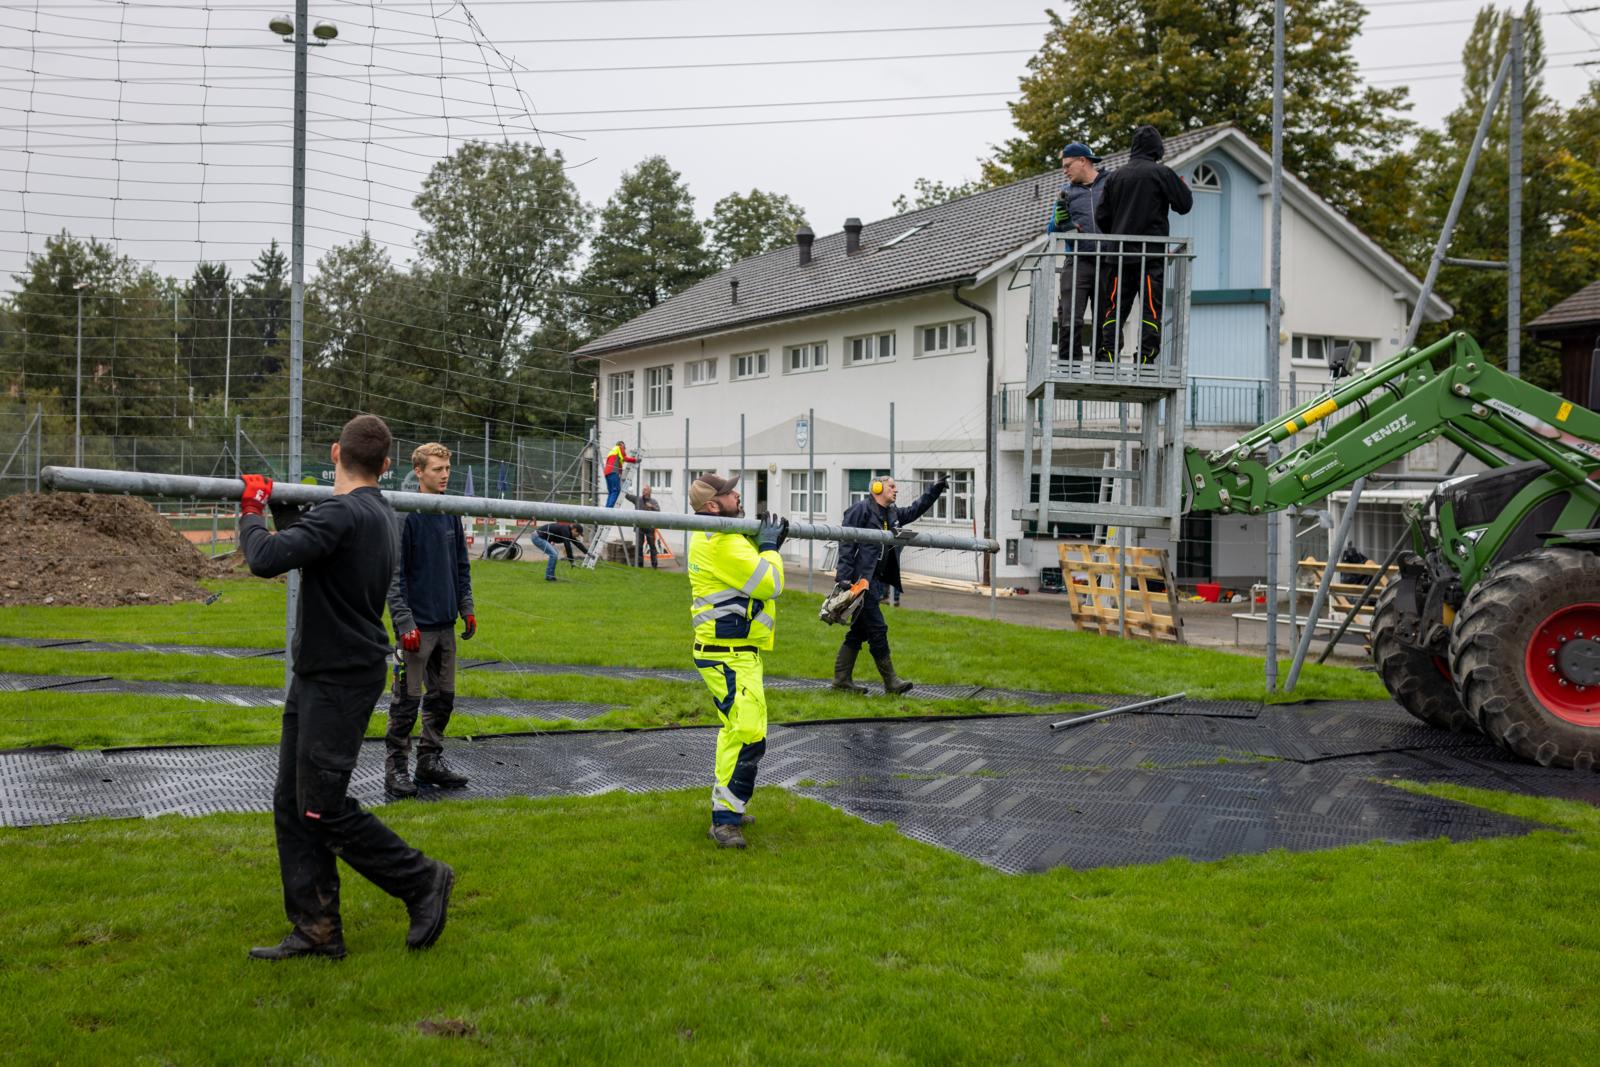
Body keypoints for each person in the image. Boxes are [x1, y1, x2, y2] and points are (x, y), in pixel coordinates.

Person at [238, 414, 453, 962]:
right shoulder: (378, 510)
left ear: (335, 452)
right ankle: (316, 927)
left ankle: (421, 879)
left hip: (339, 678)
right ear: (386, 465)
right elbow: (312, 544)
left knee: (323, 808)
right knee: (293, 802)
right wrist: (284, 511)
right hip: (323, 673)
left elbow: (265, 558)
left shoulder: (343, 512)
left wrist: (250, 509)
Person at [686, 473, 787, 850]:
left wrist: (761, 543)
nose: (738, 495)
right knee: (748, 736)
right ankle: (725, 820)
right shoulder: (724, 543)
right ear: (713, 506)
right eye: (730, 493)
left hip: (730, 652)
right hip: (729, 656)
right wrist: (770, 547)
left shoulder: (712, 534)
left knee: (735, 732)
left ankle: (728, 805)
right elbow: (771, 583)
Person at [384, 442, 475, 800]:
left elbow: (461, 566)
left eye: (447, 469)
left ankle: (429, 760)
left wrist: (466, 606)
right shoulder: (405, 514)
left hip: (445, 625)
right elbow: (394, 575)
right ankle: (397, 768)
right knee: (406, 702)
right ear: (418, 472)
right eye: (437, 470)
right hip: (416, 630)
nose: (445, 475)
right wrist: (405, 623)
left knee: (443, 697)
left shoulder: (450, 511)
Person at [831, 474, 948, 695]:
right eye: (891, 486)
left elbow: (914, 510)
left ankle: (841, 680)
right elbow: (846, 542)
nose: (896, 490)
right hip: (860, 581)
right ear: (876, 488)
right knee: (877, 628)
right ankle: (891, 682)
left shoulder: (892, 513)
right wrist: (844, 578)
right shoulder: (860, 510)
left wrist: (935, 490)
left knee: (858, 632)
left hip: (876, 582)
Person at [1093, 125, 1193, 363]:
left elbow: (1102, 217)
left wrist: (1118, 235)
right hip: (1151, 257)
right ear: (1157, 149)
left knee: (1115, 307)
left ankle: (1107, 355)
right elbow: (1184, 204)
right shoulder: (1162, 174)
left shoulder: (1115, 176)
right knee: (1150, 307)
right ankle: (1146, 357)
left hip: (1118, 258)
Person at [1046, 141, 1108, 360]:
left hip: (1109, 261)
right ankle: (1069, 366)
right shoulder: (1065, 192)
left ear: (1083, 161)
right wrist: (1058, 220)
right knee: (1070, 318)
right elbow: (1051, 230)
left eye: (1067, 165)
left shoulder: (1110, 184)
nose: (1064, 171)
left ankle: (1104, 368)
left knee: (1106, 319)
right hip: (1077, 261)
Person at [625, 484, 662, 568]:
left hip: (650, 527)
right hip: (639, 527)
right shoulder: (638, 499)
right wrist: (622, 486)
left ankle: (654, 565)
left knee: (652, 546)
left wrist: (651, 507)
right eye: (643, 489)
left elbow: (658, 511)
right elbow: (627, 496)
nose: (643, 491)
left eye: (645, 490)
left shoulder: (653, 501)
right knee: (639, 547)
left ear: (649, 492)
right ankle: (640, 565)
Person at [603, 439, 639, 508]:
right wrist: (635, 460)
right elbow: (624, 458)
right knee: (616, 490)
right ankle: (610, 509)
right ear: (621, 445)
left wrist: (620, 475)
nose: (624, 449)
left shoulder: (612, 451)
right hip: (613, 472)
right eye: (624, 448)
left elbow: (619, 464)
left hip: (607, 473)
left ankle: (607, 509)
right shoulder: (619, 448)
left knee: (611, 492)